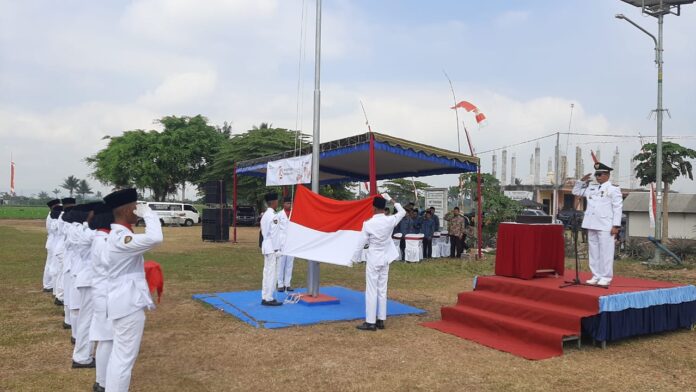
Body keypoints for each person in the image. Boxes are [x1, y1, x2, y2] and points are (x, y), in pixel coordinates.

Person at [103, 189, 163, 391]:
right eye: (136, 207)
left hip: (124, 301)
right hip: (127, 304)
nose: (138, 210)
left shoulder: (120, 235)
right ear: (129, 210)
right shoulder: (121, 238)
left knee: (120, 357)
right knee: (124, 359)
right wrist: (150, 214)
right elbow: (155, 238)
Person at [354, 194, 406, 331]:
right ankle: (381, 320)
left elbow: (360, 244)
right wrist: (392, 200)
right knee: (382, 290)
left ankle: (370, 322)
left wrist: (355, 258)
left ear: (373, 208)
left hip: (374, 258)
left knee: (371, 290)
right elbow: (403, 212)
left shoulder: (368, 224)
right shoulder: (390, 220)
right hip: (385, 258)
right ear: (384, 208)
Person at [572, 161, 623, 286]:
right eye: (596, 175)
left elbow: (618, 208)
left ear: (607, 175)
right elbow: (576, 191)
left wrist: (616, 225)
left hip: (606, 225)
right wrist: (581, 181)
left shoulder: (613, 189)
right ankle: (596, 275)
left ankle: (606, 276)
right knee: (593, 252)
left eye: (600, 174)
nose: (597, 177)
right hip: (591, 223)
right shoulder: (591, 188)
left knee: (606, 252)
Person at [88, 202, 115, 392]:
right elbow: (111, 264)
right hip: (106, 293)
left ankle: (102, 380)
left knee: (106, 339)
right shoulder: (104, 240)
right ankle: (103, 382)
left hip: (102, 292)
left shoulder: (102, 237)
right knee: (107, 339)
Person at [260, 192, 282, 306]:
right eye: (277, 200)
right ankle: (269, 298)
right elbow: (274, 234)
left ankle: (265, 296)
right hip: (272, 247)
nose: (278, 202)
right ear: (273, 202)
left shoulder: (265, 215)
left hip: (266, 246)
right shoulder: (273, 216)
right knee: (271, 273)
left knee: (266, 272)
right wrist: (277, 249)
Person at [42, 199, 61, 292]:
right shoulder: (53, 216)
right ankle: (49, 285)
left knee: (50, 263)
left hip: (52, 241)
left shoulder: (52, 215)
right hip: (53, 241)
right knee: (52, 264)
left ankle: (48, 284)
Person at [276, 196, 294, 292]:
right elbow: (276, 230)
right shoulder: (279, 215)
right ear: (283, 204)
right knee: (281, 264)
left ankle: (288, 284)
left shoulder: (294, 214)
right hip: (281, 242)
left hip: (291, 241)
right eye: (287, 203)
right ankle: (280, 284)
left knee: (289, 264)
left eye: (290, 203)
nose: (289, 205)